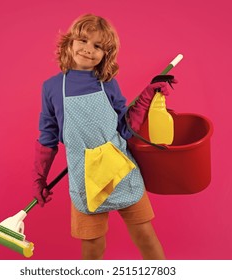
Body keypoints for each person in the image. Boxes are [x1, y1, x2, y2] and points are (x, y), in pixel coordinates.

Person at [32, 14, 175, 260]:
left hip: (121, 171)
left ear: (105, 54)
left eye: (98, 46)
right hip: (84, 179)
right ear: (69, 42)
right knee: (92, 247)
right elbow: (47, 137)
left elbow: (126, 128)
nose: (88, 50)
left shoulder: (107, 83)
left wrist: (147, 95)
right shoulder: (52, 88)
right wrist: (39, 179)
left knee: (145, 235)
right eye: (84, 40)